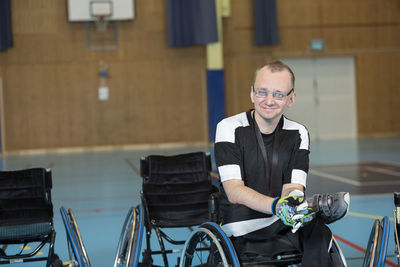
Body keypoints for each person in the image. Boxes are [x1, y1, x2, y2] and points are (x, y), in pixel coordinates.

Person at [214, 60, 340, 266]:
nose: (269, 100)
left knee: (319, 231)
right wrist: (277, 206)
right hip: (242, 224)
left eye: (278, 94)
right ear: (252, 93)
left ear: (291, 98)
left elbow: (293, 186)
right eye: (262, 92)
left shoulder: (298, 133)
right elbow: (234, 190)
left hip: (282, 222)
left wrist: (294, 203)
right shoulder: (229, 128)